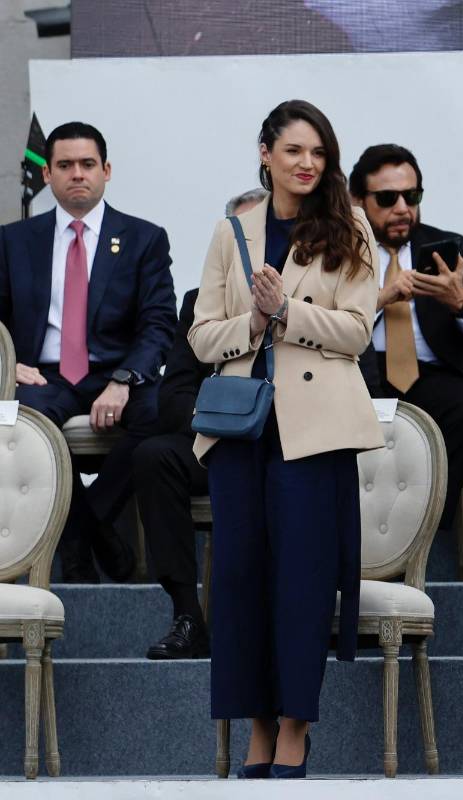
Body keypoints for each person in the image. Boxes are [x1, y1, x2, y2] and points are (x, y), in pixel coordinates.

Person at [189, 100, 382, 779]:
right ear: (265, 153)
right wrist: (252, 322)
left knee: (303, 582)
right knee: (240, 581)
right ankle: (258, 727)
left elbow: (356, 332)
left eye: (318, 153)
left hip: (316, 431)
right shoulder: (231, 231)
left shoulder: (349, 226)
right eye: (294, 150)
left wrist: (286, 311)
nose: (306, 164)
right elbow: (201, 335)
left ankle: (295, 727)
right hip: (240, 431)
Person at [0, 121, 177, 582]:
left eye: (87, 164)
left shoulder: (144, 238)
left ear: (106, 170)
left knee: (162, 412)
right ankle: (94, 535)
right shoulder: (13, 241)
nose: (77, 173)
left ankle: (84, 528)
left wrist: (124, 380)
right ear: (47, 175)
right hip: (43, 376)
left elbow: (159, 323)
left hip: (118, 372)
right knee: (18, 420)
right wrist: (9, 365)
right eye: (65, 165)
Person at [348, 144, 463, 536]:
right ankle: (356, 530)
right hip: (356, 373)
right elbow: (320, 321)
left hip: (428, 375)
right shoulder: (339, 251)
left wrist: (460, 303)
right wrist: (382, 298)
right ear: (357, 200)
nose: (403, 208)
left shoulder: (451, 250)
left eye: (412, 196)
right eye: (388, 198)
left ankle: (423, 528)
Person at [137, 190, 265, 661]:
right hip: (215, 443)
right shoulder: (199, 302)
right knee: (154, 456)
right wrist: (222, 424)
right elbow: (173, 394)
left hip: (282, 445)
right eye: (241, 236)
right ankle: (188, 615)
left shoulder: (300, 299)